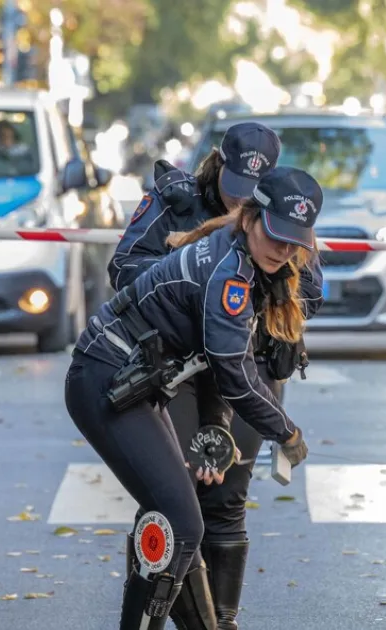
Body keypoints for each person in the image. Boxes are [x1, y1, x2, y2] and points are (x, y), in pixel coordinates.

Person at [66, 166, 323, 629]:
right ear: (249, 217)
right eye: (276, 236)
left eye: (293, 243)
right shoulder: (230, 275)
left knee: (180, 522)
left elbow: (215, 363)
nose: (284, 251)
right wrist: (287, 433)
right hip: (106, 377)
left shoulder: (240, 254)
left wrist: (216, 428)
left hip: (135, 380)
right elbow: (236, 376)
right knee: (181, 524)